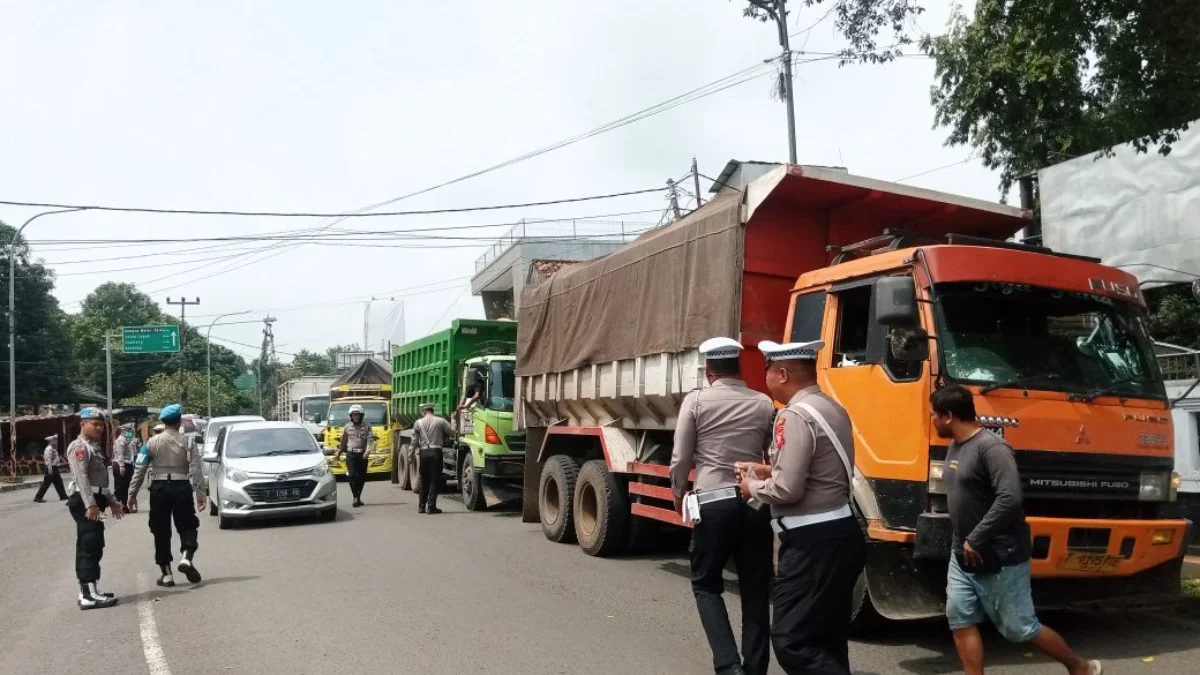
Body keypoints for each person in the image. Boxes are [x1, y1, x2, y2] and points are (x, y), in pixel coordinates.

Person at [931, 385, 1102, 675]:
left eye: (934, 414)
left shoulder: (992, 448)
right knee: (959, 616)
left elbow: (1010, 498)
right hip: (963, 552)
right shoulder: (956, 446)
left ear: (948, 416)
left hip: (1000, 552)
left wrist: (978, 536)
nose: (932, 419)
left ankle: (1079, 666)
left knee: (1019, 627)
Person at [736, 340, 865, 675]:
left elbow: (788, 489)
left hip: (811, 542)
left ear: (782, 373)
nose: (765, 378)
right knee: (828, 637)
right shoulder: (831, 408)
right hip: (840, 532)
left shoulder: (792, 415)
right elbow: (820, 469)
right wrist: (768, 470)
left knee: (791, 639)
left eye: (767, 371)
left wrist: (753, 486)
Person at [669, 337, 776, 675]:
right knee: (756, 589)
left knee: (706, 583)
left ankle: (730, 666)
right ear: (738, 367)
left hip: (712, 504)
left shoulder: (696, 401)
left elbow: (682, 456)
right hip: (754, 503)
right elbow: (770, 455)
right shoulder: (763, 403)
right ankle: (755, 667)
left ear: (708, 369)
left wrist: (677, 490)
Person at [129, 404, 207, 588]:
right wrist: (201, 494)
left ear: (163, 422)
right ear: (179, 421)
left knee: (160, 530)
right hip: (181, 487)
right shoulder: (188, 442)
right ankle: (187, 557)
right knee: (188, 524)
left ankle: (167, 574)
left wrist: (131, 494)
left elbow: (139, 470)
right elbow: (196, 469)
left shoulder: (150, 443)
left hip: (159, 488)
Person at [65, 407, 124, 609]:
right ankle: (88, 594)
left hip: (95, 499)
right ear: (83, 425)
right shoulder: (79, 447)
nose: (99, 428)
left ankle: (90, 589)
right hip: (85, 501)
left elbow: (100, 483)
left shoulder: (94, 447)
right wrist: (91, 505)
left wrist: (112, 501)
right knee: (89, 544)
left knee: (94, 543)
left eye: (101, 424)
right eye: (94, 424)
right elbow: (82, 479)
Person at [412, 403, 453, 514]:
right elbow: (452, 432)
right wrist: (453, 420)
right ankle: (431, 507)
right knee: (434, 480)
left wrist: (410, 455)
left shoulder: (418, 422)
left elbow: (414, 441)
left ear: (424, 412)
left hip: (423, 453)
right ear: (431, 411)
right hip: (436, 453)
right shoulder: (440, 421)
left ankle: (421, 507)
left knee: (423, 480)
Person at [338, 403, 375, 508]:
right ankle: (355, 497)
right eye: (354, 415)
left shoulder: (367, 427)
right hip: (351, 454)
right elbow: (343, 441)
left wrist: (368, 451)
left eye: (357, 415)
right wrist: (339, 452)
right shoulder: (347, 427)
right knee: (352, 475)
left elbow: (370, 440)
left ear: (361, 416)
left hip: (363, 455)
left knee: (362, 477)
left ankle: (358, 497)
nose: (356, 417)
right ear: (351, 416)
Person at [33, 434, 69, 503]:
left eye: (56, 440)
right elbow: (48, 460)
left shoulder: (53, 448)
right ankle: (38, 497)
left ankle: (63, 496)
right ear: (50, 441)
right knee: (46, 484)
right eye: (54, 440)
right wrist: (50, 469)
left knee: (59, 482)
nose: (56, 441)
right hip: (50, 467)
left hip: (54, 467)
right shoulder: (48, 449)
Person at [111, 424, 135, 510]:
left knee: (125, 487)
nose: (131, 433)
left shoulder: (125, 440)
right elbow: (120, 454)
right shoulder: (121, 440)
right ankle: (115, 504)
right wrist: (122, 466)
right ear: (124, 431)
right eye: (129, 431)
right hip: (121, 465)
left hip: (125, 464)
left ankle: (124, 506)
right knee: (120, 487)